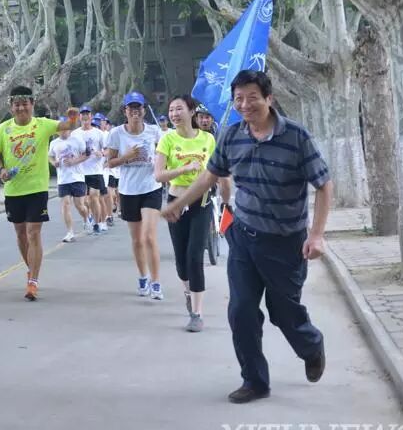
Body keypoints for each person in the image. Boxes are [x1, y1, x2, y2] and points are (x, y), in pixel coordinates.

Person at [162, 70, 332, 404]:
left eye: (252, 97)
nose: (244, 105)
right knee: (240, 311)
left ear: (269, 98)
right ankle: (254, 381)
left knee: (283, 312)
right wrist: (179, 203)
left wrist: (317, 235)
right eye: (238, 99)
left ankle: (312, 346)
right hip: (243, 237)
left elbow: (324, 184)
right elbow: (210, 176)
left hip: (285, 242)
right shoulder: (231, 136)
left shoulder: (296, 137)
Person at [0, 87, 77, 301]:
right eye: (17, 104)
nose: (21, 108)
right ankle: (31, 269)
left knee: (33, 232)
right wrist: (1, 170)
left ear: (32, 104)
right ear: (11, 107)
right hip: (13, 190)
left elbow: (67, 126)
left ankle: (33, 282)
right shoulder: (3, 129)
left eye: (25, 104)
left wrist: (73, 117)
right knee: (21, 233)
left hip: (37, 189)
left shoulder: (43, 124)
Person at [153, 96, 224, 332]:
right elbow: (158, 175)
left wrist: (220, 184)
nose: (174, 114)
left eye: (179, 109)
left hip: (201, 202)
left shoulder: (208, 139)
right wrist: (184, 168)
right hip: (176, 202)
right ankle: (187, 291)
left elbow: (217, 170)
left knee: (195, 256)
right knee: (182, 261)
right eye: (171, 110)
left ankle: (197, 313)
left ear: (191, 111)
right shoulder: (167, 139)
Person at [106, 92, 164, 301]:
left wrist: (158, 162)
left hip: (151, 188)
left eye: (138, 107)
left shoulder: (155, 132)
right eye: (131, 108)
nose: (135, 112)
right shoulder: (116, 134)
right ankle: (143, 276)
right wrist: (127, 157)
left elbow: (165, 155)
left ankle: (156, 282)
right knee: (137, 240)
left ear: (144, 110)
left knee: (149, 237)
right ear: (125, 111)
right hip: (128, 190)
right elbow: (109, 162)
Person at [49, 120, 86, 243]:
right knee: (65, 204)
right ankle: (70, 232)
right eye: (61, 130)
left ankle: (87, 217)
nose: (64, 132)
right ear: (57, 132)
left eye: (66, 130)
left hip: (77, 177)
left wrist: (74, 161)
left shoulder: (77, 140)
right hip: (63, 179)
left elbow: (86, 155)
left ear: (70, 130)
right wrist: (54, 162)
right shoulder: (54, 143)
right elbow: (50, 156)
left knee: (80, 205)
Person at [76, 106, 109, 234]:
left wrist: (102, 153)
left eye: (87, 114)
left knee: (94, 197)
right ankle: (88, 218)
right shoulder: (75, 134)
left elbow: (108, 149)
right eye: (82, 114)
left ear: (91, 116)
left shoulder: (98, 133)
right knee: (84, 200)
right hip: (80, 171)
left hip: (95, 170)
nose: (85, 116)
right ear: (79, 117)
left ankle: (97, 223)